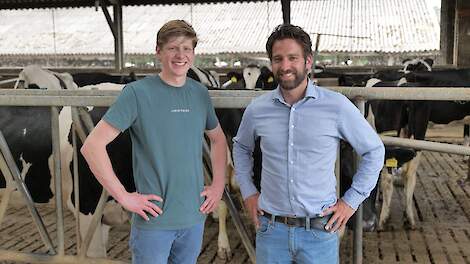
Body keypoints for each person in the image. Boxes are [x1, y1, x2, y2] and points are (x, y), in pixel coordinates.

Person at [233, 24, 385, 263]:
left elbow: (374, 151)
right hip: (271, 230)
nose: (285, 66)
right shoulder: (257, 109)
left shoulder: (337, 106)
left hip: (319, 231)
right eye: (278, 59)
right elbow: (241, 148)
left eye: (293, 58)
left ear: (308, 61)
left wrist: (350, 201)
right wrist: (248, 191)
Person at [80, 20, 227, 264]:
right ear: (158, 51)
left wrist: (218, 185)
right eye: (173, 48)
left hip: (193, 219)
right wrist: (124, 197)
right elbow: (92, 147)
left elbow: (219, 139)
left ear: (193, 53)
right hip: (154, 223)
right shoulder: (137, 93)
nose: (181, 55)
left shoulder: (199, 93)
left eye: (187, 49)